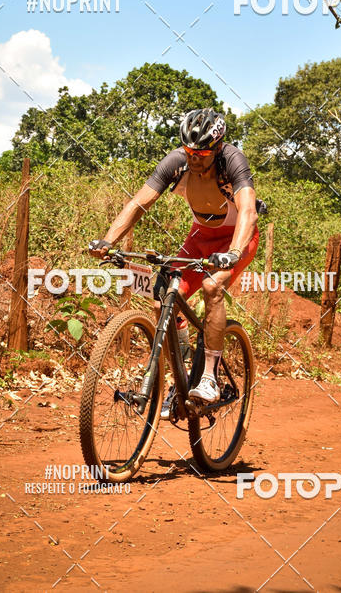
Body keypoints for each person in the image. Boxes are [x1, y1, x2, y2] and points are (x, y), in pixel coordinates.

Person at [89, 107, 263, 412]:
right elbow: (139, 202)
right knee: (161, 302)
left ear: (218, 147)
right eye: (189, 151)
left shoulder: (232, 160)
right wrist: (108, 240)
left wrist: (233, 254)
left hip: (238, 238)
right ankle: (180, 375)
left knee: (213, 287)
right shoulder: (177, 161)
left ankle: (209, 377)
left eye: (202, 153)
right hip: (200, 237)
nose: (195, 158)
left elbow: (247, 212)